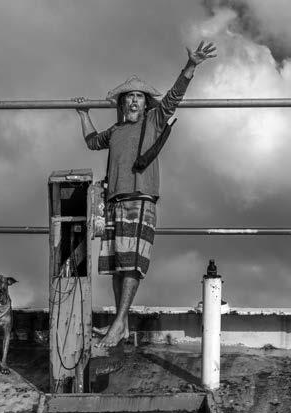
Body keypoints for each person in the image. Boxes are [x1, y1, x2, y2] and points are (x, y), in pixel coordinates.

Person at [74, 41, 217, 347]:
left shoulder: (153, 121)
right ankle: (121, 325)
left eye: (139, 96)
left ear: (145, 102)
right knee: (117, 265)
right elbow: (92, 141)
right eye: (130, 97)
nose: (134, 101)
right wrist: (83, 113)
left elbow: (174, 97)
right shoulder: (115, 131)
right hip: (114, 201)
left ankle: (117, 325)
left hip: (140, 200)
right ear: (122, 103)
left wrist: (191, 65)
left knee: (132, 264)